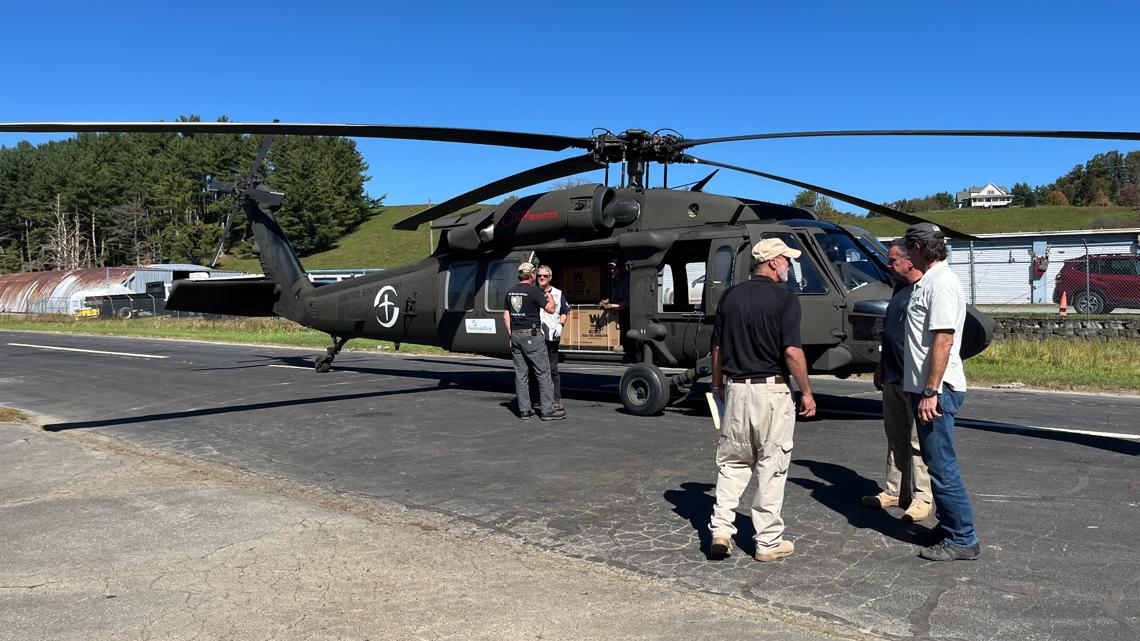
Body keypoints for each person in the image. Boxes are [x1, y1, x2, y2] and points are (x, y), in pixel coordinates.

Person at [708, 238, 817, 562]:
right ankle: (767, 542)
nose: (789, 266)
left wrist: (717, 385)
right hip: (772, 391)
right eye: (786, 260)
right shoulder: (785, 300)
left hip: (736, 389)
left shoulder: (730, 297)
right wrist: (807, 391)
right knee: (772, 466)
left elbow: (718, 349)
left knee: (732, 463)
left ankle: (721, 530)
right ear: (772, 262)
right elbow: (792, 351)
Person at [902, 223, 979, 561]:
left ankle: (963, 539)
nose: (906, 253)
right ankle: (950, 527)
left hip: (938, 389)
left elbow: (944, 339)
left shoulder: (942, 283)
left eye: (908, 247)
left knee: (943, 466)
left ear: (920, 247)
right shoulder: (928, 281)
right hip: (928, 388)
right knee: (935, 464)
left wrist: (931, 391)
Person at [863, 239, 933, 522]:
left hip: (915, 378)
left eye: (892, 260)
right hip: (892, 374)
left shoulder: (925, 288)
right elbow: (890, 332)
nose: (888, 265)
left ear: (909, 260)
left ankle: (921, 496)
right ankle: (895, 490)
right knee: (895, 436)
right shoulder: (899, 288)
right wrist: (881, 365)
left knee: (917, 440)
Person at [503, 262, 564, 421]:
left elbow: (506, 316)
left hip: (516, 335)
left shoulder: (510, 292)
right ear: (532, 275)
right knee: (543, 373)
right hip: (532, 335)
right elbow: (550, 309)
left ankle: (524, 411)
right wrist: (550, 298)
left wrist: (511, 336)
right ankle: (547, 411)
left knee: (521, 375)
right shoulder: (534, 291)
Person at [527, 265, 571, 411]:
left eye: (545, 276)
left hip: (552, 336)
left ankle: (556, 400)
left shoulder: (558, 294)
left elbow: (564, 311)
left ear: (550, 278)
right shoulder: (532, 292)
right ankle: (535, 400)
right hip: (535, 336)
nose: (541, 278)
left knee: (552, 369)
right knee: (534, 369)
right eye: (539, 275)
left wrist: (561, 325)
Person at [600, 258, 631, 355]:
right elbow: (615, 297)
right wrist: (607, 301)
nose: (612, 271)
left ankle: (626, 345)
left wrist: (610, 305)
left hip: (627, 309)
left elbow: (626, 302)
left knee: (625, 321)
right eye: (611, 269)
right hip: (618, 307)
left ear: (620, 268)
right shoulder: (614, 280)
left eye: (614, 268)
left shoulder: (626, 279)